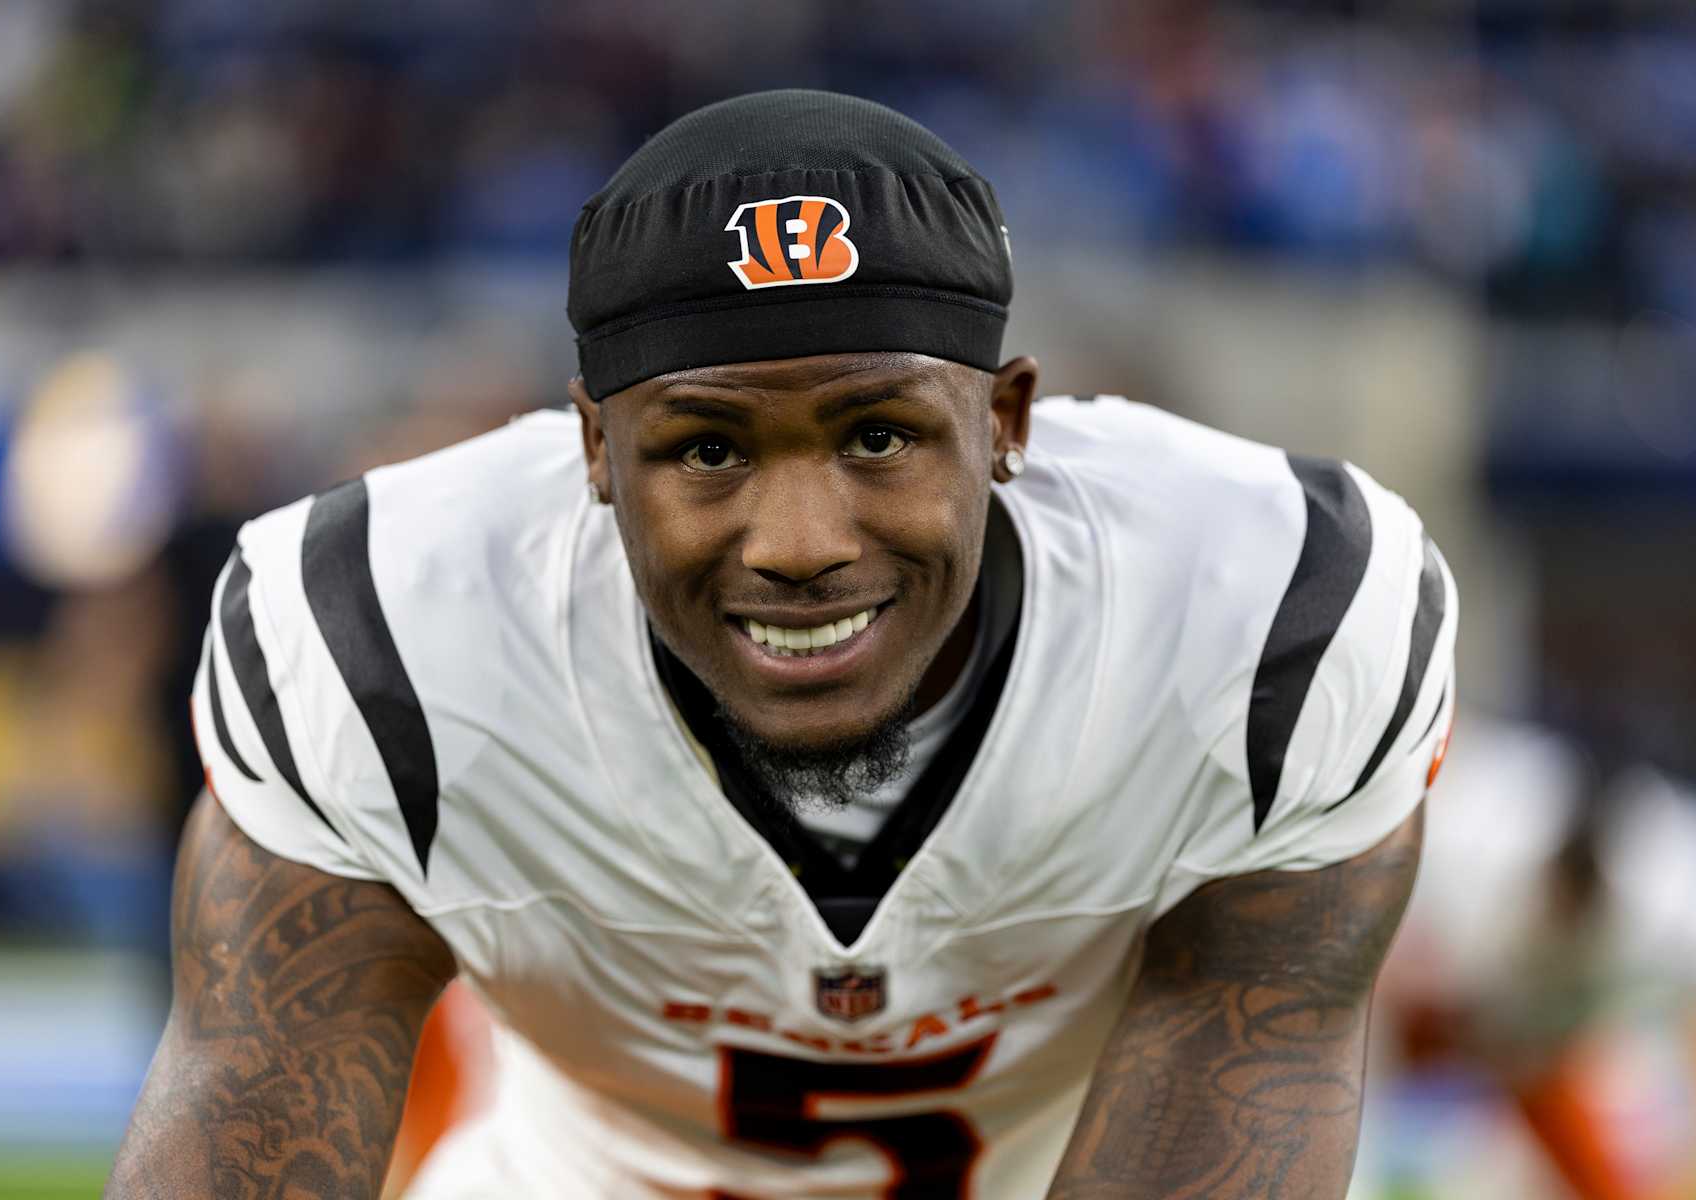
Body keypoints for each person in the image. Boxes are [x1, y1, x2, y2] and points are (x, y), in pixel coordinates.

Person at [107, 90, 1458, 1199]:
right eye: (706, 447)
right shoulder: (390, 635)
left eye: (879, 435)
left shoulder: (1266, 612)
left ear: (1008, 425)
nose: (799, 541)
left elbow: (1237, 1086)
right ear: (595, 452)